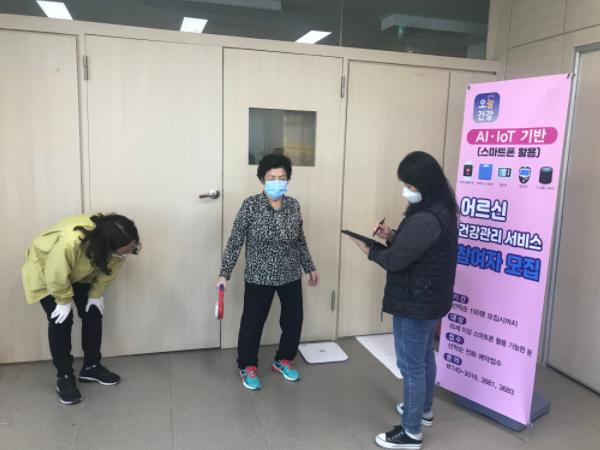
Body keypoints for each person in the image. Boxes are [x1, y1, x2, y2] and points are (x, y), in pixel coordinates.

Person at [348, 151, 458, 450]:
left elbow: (395, 261)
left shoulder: (425, 218)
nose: (406, 191)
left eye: (409, 185)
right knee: (424, 358)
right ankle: (423, 411)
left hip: (416, 302)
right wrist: (391, 234)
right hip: (430, 299)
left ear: (424, 183)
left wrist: (369, 249)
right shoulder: (441, 209)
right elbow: (417, 247)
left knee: (411, 366)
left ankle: (411, 433)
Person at [217, 153, 319, 391]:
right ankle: (247, 365)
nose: (277, 182)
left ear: (288, 179)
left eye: (282, 177)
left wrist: (309, 266)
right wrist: (224, 273)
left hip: (290, 273)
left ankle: (283, 360)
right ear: (262, 179)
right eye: (272, 178)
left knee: (293, 319)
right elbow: (235, 240)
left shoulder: (293, 205)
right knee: (253, 322)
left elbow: (300, 240)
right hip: (259, 275)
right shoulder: (250, 205)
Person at [21, 213, 141, 405]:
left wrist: (96, 295)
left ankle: (91, 367)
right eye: (126, 249)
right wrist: (63, 300)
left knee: (92, 312)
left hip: (79, 271)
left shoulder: (118, 243)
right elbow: (56, 274)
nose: (129, 252)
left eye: (132, 246)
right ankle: (64, 376)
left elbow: (111, 268)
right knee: (61, 320)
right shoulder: (70, 242)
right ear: (107, 245)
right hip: (46, 272)